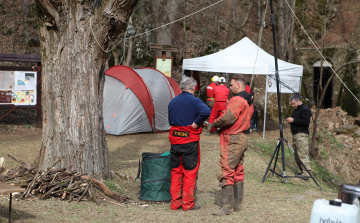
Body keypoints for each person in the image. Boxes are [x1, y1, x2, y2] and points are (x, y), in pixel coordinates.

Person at [168, 77, 211, 211]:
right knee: (189, 172)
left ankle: (175, 203)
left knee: (176, 171)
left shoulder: (172, 101)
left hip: (175, 140)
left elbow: (170, 120)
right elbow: (207, 111)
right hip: (189, 141)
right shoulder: (195, 101)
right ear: (193, 88)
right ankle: (187, 204)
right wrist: (197, 122)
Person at [212, 75, 253, 216]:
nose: (229, 87)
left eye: (231, 85)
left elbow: (228, 117)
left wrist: (215, 123)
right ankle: (237, 204)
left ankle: (227, 208)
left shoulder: (237, 100)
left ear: (238, 86)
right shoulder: (248, 101)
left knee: (226, 170)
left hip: (232, 139)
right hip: (242, 138)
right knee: (238, 170)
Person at [285, 94, 312, 176]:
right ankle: (302, 171)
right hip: (295, 134)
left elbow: (305, 121)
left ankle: (306, 173)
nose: (293, 105)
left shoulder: (306, 109)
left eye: (294, 104)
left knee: (302, 154)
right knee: (296, 154)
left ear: (299, 101)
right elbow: (296, 120)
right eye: (292, 104)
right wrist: (290, 120)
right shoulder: (296, 110)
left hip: (302, 135)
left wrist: (293, 120)